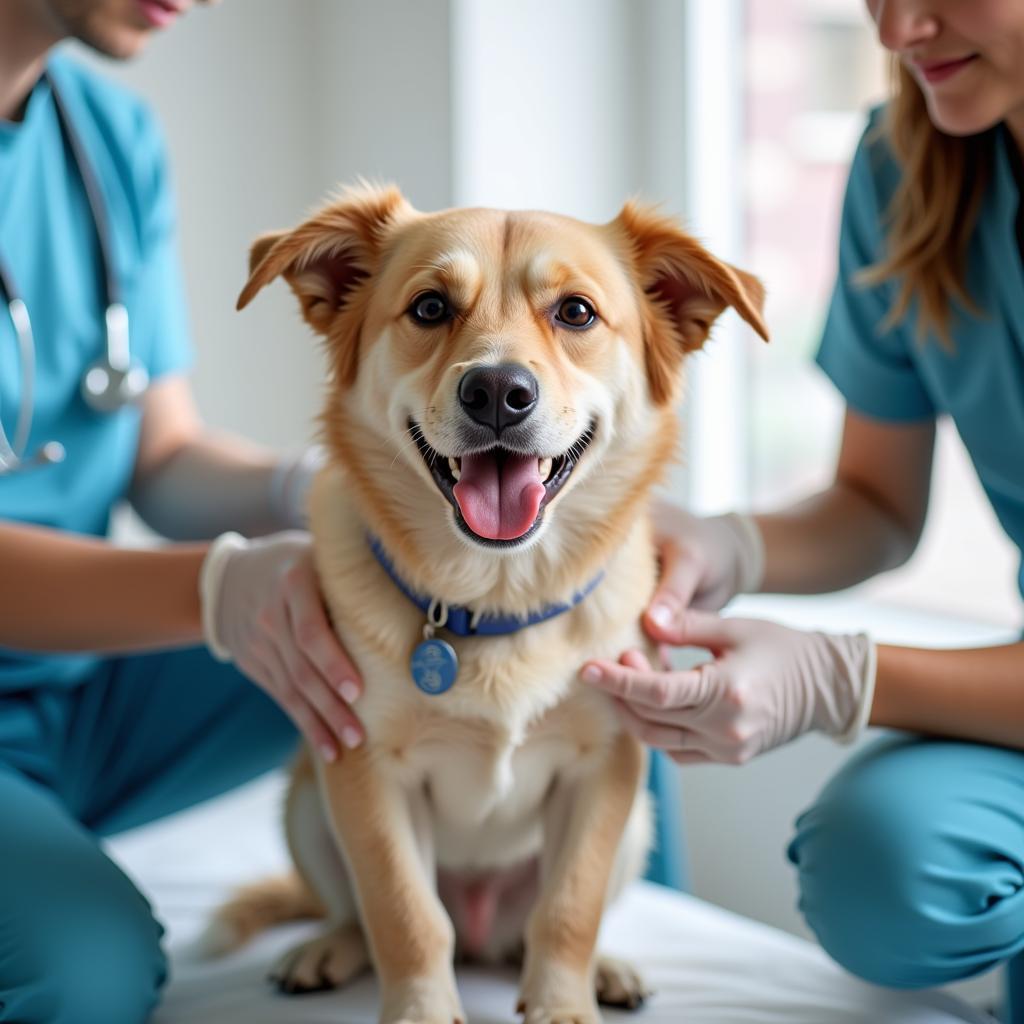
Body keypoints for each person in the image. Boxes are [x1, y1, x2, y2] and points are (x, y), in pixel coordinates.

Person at [581, 0, 1024, 1005]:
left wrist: (840, 676)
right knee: (882, 867)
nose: (897, 30)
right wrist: (724, 544)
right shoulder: (907, 163)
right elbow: (873, 501)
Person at [0, 3, 367, 1022]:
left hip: (81, 695)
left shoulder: (106, 137)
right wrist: (218, 588)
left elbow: (161, 459)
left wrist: (318, 488)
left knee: (533, 636)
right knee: (84, 978)